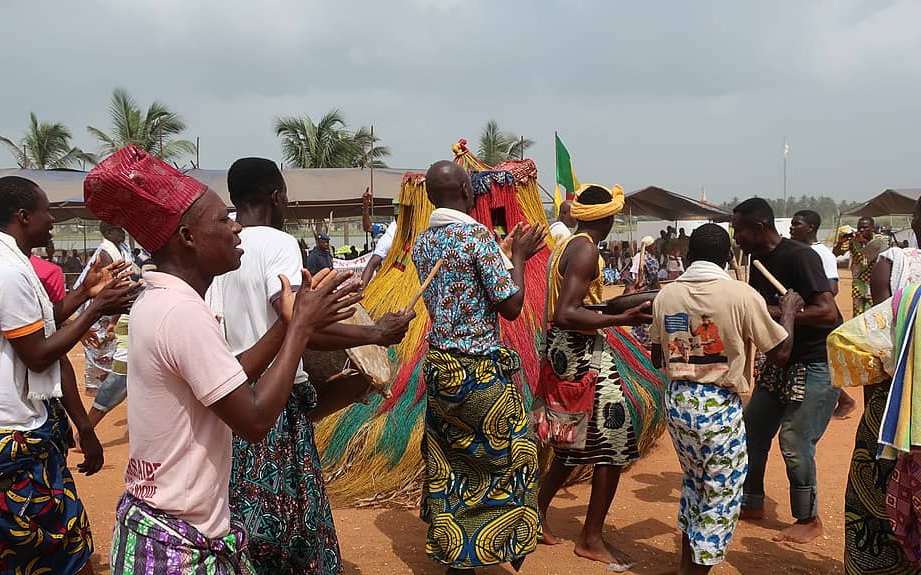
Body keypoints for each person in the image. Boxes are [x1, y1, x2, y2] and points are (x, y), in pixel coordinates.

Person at [84, 145, 360, 574]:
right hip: (181, 542)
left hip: (165, 526)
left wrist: (290, 321)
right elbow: (252, 421)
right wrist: (300, 327)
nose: (235, 229)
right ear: (188, 238)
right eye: (221, 220)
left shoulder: (163, 300)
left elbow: (235, 373)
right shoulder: (182, 313)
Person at [0, 176, 136, 575]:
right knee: (50, 552)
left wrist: (83, 294)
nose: (51, 220)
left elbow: (34, 328)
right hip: (5, 442)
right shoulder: (8, 273)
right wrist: (97, 309)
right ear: (23, 216)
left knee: (4, 553)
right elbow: (37, 355)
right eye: (45, 211)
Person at [207, 157, 413, 574]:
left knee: (238, 516)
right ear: (277, 196)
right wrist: (375, 335)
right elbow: (300, 324)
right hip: (272, 403)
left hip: (226, 399)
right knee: (291, 526)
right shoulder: (279, 244)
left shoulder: (219, 250)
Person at [412, 160, 545, 574]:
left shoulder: (422, 243)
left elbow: (462, 286)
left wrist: (500, 256)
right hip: (479, 371)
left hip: (441, 370)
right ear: (469, 192)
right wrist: (518, 256)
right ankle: (492, 546)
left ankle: (457, 555)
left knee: (452, 460)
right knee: (511, 458)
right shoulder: (476, 237)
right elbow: (511, 305)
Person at [649, 223, 800, 573]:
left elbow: (658, 357)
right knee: (722, 489)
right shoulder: (741, 294)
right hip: (717, 403)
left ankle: (687, 563)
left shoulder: (666, 295)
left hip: (677, 401)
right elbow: (780, 352)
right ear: (730, 256)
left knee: (694, 481)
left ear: (687, 256)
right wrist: (789, 310)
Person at [536, 184, 664, 570]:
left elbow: (578, 305)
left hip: (564, 351)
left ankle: (535, 514)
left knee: (571, 439)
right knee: (613, 443)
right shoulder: (586, 249)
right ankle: (590, 538)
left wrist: (614, 306)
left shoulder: (570, 244)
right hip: (581, 354)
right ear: (607, 219)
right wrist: (622, 318)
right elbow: (567, 312)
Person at [731, 198, 842, 543]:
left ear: (759, 226)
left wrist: (783, 313)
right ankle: (750, 502)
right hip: (783, 361)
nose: (737, 238)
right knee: (752, 430)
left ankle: (809, 519)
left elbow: (828, 314)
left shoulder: (799, 256)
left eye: (740, 230)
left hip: (816, 362)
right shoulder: (757, 260)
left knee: (794, 440)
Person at [830, 196, 921, 574]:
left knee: (876, 505)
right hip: (868, 304)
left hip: (901, 409)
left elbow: (856, 341)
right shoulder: (873, 250)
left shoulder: (898, 266)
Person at [789, 210, 857, 419]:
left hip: (820, 319)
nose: (791, 227)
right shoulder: (798, 251)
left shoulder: (822, 254)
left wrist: (807, 301)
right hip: (805, 316)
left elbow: (832, 288)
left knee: (823, 365)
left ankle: (844, 400)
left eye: (796, 224)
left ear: (810, 228)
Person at [75, 222, 134, 396]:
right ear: (108, 232)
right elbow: (113, 284)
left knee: (110, 344)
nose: (122, 233)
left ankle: (107, 386)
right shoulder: (105, 253)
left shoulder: (119, 249)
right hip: (102, 304)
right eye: (118, 230)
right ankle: (95, 387)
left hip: (111, 303)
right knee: (98, 344)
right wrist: (114, 317)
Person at [834, 216, 891, 316]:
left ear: (873, 228)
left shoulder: (881, 239)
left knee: (875, 314)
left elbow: (879, 253)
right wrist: (840, 242)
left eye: (865, 227)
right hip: (858, 284)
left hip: (875, 283)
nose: (861, 230)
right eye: (859, 227)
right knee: (858, 316)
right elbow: (835, 253)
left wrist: (864, 241)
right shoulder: (853, 241)